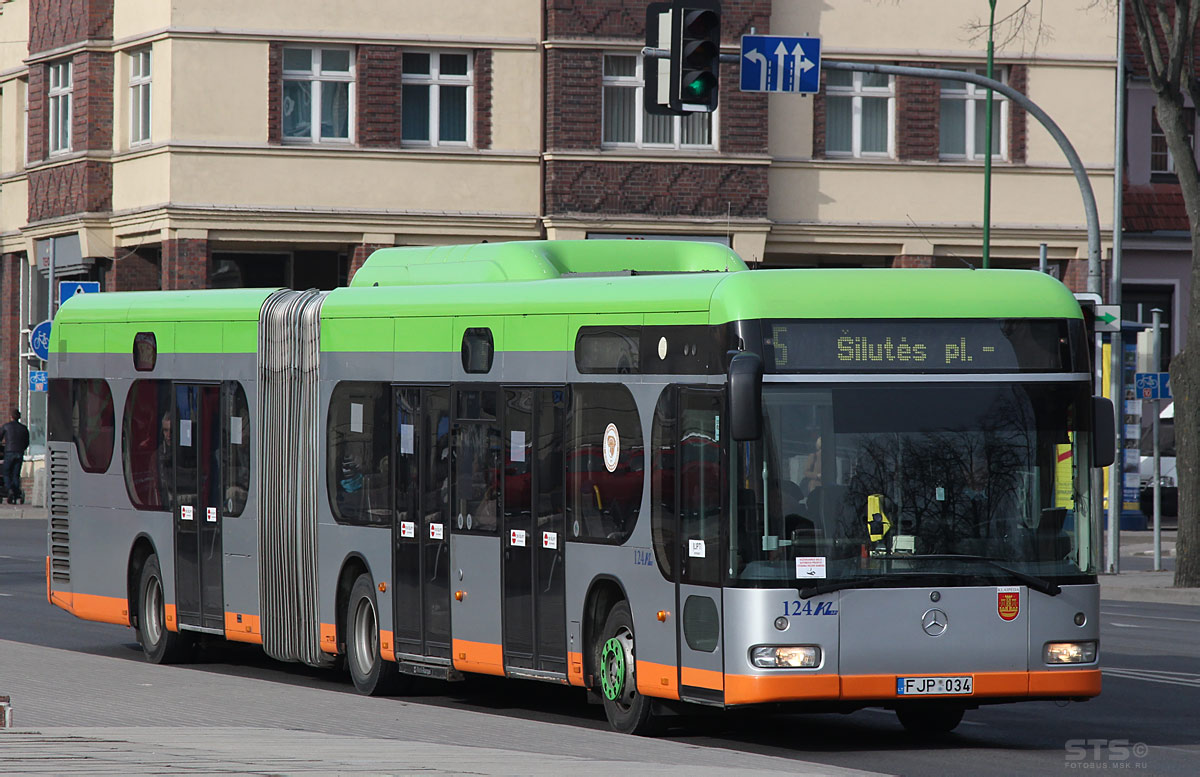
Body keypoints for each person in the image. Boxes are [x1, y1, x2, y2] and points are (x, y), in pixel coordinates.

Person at [1, 409, 30, 504]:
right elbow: (27, 442)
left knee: (6, 472)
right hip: (19, 452)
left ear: (11, 417)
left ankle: (9, 489)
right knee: (16, 474)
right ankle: (17, 492)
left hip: (9, 451)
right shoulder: (24, 428)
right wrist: (22, 449)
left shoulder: (6, 427)